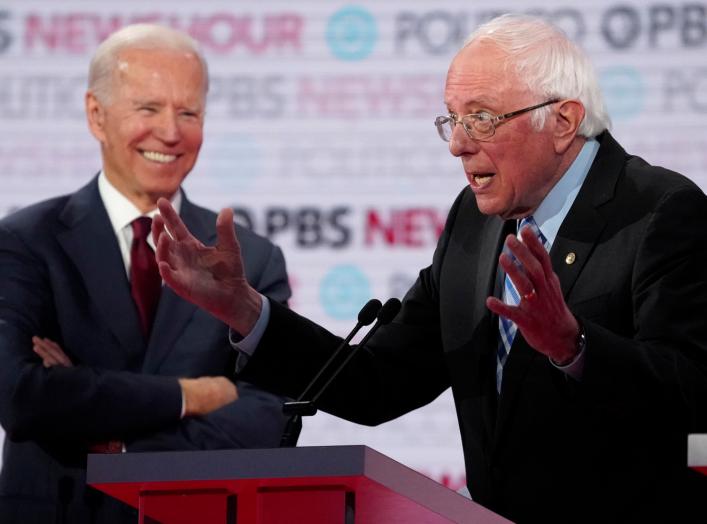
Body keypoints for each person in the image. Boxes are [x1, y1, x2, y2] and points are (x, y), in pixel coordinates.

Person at [152, 14, 707, 523]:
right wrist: (246, 311)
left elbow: (693, 395)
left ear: (563, 121)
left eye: (483, 119)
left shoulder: (660, 210)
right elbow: (379, 383)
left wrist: (574, 346)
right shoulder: (475, 221)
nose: (459, 146)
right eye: (453, 119)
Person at [0, 24, 292, 524]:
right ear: (97, 114)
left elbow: (270, 417)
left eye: (189, 112)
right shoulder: (26, 243)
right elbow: (23, 398)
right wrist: (191, 395)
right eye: (148, 108)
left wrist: (113, 442)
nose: (171, 132)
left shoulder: (250, 259)